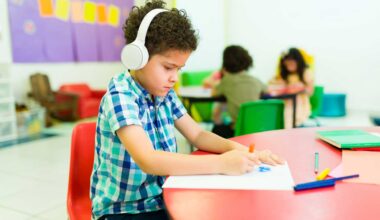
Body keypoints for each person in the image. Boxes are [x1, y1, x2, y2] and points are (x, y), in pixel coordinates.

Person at [90, 1, 284, 219]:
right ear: (138, 57)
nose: (174, 77)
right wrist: (221, 163)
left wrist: (243, 152)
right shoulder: (121, 96)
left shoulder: (164, 93)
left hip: (163, 198)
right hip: (124, 210)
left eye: (179, 69)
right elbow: (148, 159)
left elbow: (198, 134)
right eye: (168, 67)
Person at [211, 45, 268, 138]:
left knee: (217, 128)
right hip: (257, 128)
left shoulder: (227, 80)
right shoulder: (255, 80)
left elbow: (214, 93)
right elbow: (267, 90)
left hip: (237, 130)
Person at [268, 48, 314, 128]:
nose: (289, 65)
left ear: (298, 62)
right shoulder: (283, 75)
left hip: (299, 105)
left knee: (294, 104)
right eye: (287, 64)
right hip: (283, 103)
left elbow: (310, 91)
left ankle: (291, 126)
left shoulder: (306, 72)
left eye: (291, 63)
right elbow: (271, 85)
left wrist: (300, 88)